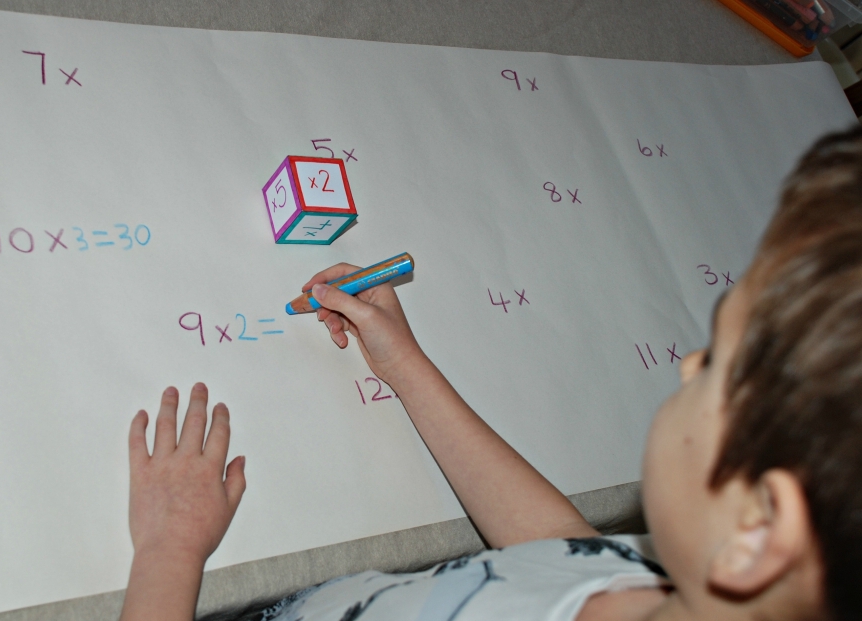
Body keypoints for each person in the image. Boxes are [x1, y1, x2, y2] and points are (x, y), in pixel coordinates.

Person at [118, 124, 862, 621]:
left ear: (760, 531)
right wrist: (403, 362)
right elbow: (559, 551)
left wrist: (168, 552)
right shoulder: (675, 587)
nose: (690, 361)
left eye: (719, 370)